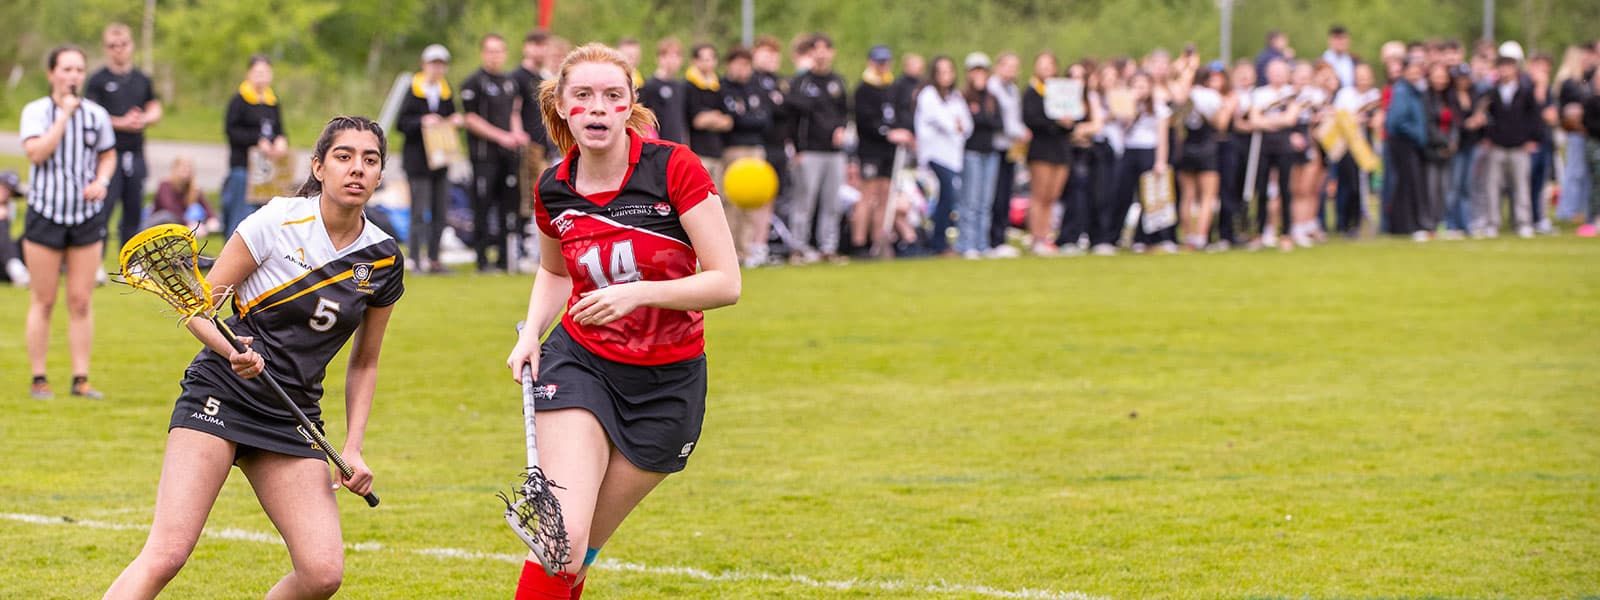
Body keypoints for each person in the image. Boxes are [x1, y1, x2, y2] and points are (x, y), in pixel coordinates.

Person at [104, 116, 403, 599]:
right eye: (344, 156)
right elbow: (199, 309)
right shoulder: (277, 221)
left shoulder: (383, 257)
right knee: (168, 552)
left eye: (370, 160)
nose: (357, 169)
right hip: (221, 391)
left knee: (322, 572)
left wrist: (353, 446)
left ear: (380, 174)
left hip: (291, 413)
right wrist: (231, 350)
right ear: (319, 167)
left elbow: (365, 362)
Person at [506, 43, 739, 600]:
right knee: (561, 542)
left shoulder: (673, 167)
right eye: (582, 96)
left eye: (612, 96)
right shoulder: (553, 185)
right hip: (581, 363)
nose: (597, 108)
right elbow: (553, 271)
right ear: (562, 106)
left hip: (668, 384)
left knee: (576, 558)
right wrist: (532, 332)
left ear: (630, 104)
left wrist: (639, 295)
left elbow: (726, 282)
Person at [20, 45, 116, 400]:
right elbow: (36, 152)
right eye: (66, 69)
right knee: (43, 300)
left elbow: (108, 155)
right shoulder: (36, 112)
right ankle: (39, 378)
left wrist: (101, 182)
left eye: (79, 69)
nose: (73, 76)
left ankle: (81, 379)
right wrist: (63, 116)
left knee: (80, 301)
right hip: (46, 213)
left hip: (85, 218)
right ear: (52, 74)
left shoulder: (96, 115)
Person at [85, 22, 161, 250]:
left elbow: (155, 108)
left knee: (133, 208)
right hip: (108, 155)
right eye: (113, 45)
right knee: (104, 207)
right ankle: (95, 257)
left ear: (131, 46)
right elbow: (89, 114)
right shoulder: (98, 80)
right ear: (106, 48)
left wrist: (143, 119)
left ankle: (130, 260)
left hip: (135, 153)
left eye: (123, 44)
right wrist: (120, 122)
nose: (119, 49)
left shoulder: (142, 79)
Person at [461, 33, 528, 272]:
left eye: (499, 50)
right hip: (484, 156)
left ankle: (504, 258)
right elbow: (470, 118)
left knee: (507, 206)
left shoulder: (510, 82)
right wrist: (502, 136)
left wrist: (517, 133)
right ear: (483, 53)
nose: (495, 55)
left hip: (508, 156)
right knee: (482, 204)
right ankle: (481, 259)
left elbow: (514, 113)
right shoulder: (474, 82)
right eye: (490, 50)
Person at [396, 43, 462, 274]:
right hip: (417, 162)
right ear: (425, 65)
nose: (438, 68)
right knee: (418, 212)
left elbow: (450, 116)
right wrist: (422, 121)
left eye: (441, 64)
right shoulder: (413, 89)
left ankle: (434, 258)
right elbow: (401, 123)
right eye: (434, 64)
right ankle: (414, 258)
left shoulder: (445, 91)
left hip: (440, 162)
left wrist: (454, 120)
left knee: (440, 211)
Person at [787, 33, 850, 263]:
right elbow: (793, 119)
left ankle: (828, 247)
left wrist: (842, 129)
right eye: (817, 48)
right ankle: (798, 247)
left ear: (831, 52)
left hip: (834, 153)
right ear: (810, 53)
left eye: (826, 48)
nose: (822, 53)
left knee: (832, 202)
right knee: (805, 201)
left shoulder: (838, 82)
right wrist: (798, 148)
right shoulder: (802, 83)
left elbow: (844, 112)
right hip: (809, 151)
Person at [852, 45, 910, 257]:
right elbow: (865, 122)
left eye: (885, 62)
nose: (882, 66)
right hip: (870, 149)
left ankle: (879, 242)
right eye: (879, 62)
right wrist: (887, 133)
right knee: (868, 195)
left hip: (889, 151)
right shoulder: (863, 89)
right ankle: (859, 243)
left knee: (886, 194)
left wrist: (901, 132)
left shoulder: (892, 88)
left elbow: (898, 115)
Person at [222, 55, 288, 240]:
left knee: (264, 218)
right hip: (243, 167)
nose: (262, 76)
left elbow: (279, 129)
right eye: (258, 72)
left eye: (266, 72)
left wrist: (281, 140)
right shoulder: (239, 100)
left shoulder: (272, 102)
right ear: (249, 73)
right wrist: (256, 141)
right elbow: (231, 131)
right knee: (240, 216)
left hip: (267, 171)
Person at [719, 46, 774, 264]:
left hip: (756, 149)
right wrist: (745, 119)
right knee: (731, 200)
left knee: (753, 200)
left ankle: (746, 249)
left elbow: (764, 120)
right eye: (739, 64)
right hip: (733, 150)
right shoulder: (723, 88)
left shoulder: (755, 88)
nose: (743, 69)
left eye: (746, 64)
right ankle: (730, 250)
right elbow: (734, 120)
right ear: (730, 64)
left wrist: (745, 119)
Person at [1477, 55, 1542, 238]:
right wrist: (1487, 137)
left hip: (1519, 146)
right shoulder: (1491, 92)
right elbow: (1486, 117)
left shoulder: (1526, 91)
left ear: (1515, 69)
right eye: (1502, 67)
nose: (1504, 71)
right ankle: (1492, 223)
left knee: (1521, 186)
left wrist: (1533, 139)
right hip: (1497, 146)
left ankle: (1523, 222)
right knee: (1492, 186)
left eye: (1508, 67)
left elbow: (1534, 118)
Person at [1111, 71, 1174, 253]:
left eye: (1143, 86)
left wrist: (1161, 161)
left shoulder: (1159, 107)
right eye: (1136, 85)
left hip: (1149, 151)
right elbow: (1123, 126)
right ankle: (1115, 236)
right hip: (1130, 150)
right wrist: (1131, 104)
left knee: (1150, 198)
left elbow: (1163, 137)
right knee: (1124, 194)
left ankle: (1148, 237)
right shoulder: (1126, 105)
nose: (1139, 89)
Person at [914, 55, 971, 257]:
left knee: (949, 199)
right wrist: (954, 124)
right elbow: (944, 121)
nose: (946, 75)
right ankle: (937, 243)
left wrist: (958, 125)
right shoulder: (928, 95)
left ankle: (942, 241)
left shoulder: (955, 96)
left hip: (952, 156)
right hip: (934, 155)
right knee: (944, 197)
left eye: (949, 71)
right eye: (942, 71)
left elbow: (966, 125)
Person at [1021, 52, 1074, 255]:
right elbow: (1031, 119)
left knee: (1053, 196)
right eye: (1041, 65)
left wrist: (1068, 122)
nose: (1045, 69)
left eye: (1049, 65)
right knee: (1039, 195)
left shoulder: (1061, 91)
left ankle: (1046, 235)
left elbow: (1071, 120)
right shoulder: (1032, 92)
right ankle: (1036, 238)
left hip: (1060, 149)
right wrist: (1055, 121)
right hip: (1041, 149)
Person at [1176, 66, 1233, 250]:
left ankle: (1188, 237)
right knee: (1208, 196)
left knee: (1188, 196)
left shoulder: (1185, 95)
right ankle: (1201, 237)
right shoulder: (1212, 97)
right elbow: (1221, 124)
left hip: (1186, 148)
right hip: (1207, 149)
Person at [958, 52, 1002, 259]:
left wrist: (981, 117)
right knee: (971, 200)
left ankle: (982, 243)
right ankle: (967, 243)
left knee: (985, 202)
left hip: (989, 152)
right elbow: (970, 124)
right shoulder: (963, 97)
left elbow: (996, 123)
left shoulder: (991, 98)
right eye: (975, 71)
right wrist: (982, 118)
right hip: (972, 152)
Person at [749, 36, 789, 265]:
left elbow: (788, 108)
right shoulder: (752, 81)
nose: (771, 59)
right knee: (752, 198)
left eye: (774, 54)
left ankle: (761, 245)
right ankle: (746, 246)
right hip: (758, 147)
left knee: (770, 198)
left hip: (778, 147)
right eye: (766, 53)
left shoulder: (780, 82)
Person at [988, 52, 1028, 257]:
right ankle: (993, 239)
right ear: (999, 66)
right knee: (996, 193)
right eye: (1008, 66)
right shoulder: (993, 88)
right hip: (996, 147)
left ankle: (1001, 236)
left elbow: (1016, 117)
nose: (1012, 71)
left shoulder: (1012, 89)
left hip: (1011, 148)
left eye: (1015, 67)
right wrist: (1022, 132)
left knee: (1006, 193)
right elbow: (1002, 120)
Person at [1386, 58, 1430, 238]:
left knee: (1407, 183)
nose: (1415, 73)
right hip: (1403, 143)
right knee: (1406, 184)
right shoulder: (1403, 90)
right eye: (1411, 69)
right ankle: (1404, 225)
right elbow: (1396, 121)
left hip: (1409, 142)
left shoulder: (1414, 91)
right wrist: (1416, 134)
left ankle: (1404, 225)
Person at [684, 43, 732, 184]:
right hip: (698, 153)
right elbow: (697, 121)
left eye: (711, 58)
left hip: (717, 152)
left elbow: (728, 121)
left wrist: (709, 118)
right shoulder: (688, 86)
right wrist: (715, 117)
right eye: (704, 59)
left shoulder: (718, 86)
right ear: (694, 61)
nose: (709, 63)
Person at [144, 156, 219, 236]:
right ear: (175, 169)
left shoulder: (193, 189)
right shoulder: (165, 185)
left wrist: (212, 218)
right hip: (161, 220)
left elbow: (206, 207)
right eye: (183, 168)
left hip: (181, 220)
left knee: (216, 216)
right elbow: (169, 208)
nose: (186, 171)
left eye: (188, 168)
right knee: (166, 215)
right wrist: (188, 223)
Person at [640, 38, 689, 144]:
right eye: (668, 56)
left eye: (677, 56)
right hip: (658, 146)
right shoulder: (649, 86)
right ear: (659, 58)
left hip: (677, 145)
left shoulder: (680, 86)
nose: (673, 60)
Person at [0, 171, 29, 287]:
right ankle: (15, 268)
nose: (5, 193)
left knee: (31, 235)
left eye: (9, 190)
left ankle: (16, 268)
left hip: (3, 260)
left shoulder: (9, 207)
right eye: (3, 187)